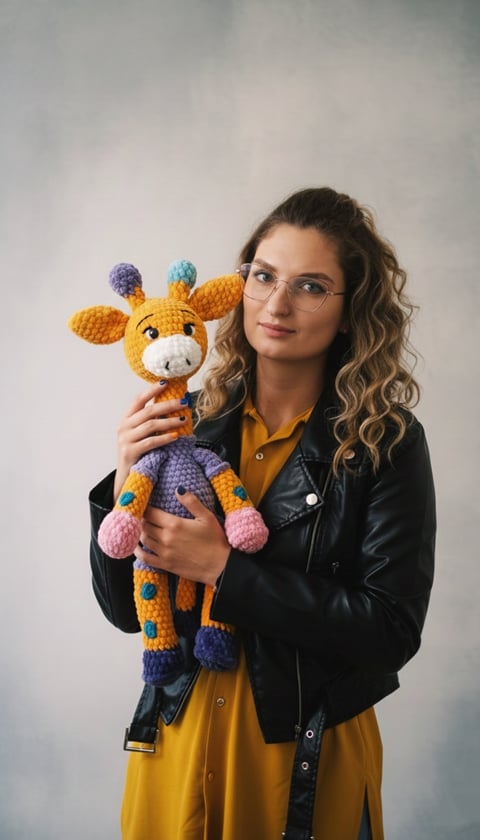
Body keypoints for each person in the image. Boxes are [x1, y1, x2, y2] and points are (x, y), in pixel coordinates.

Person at [89, 187, 436, 840]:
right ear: (237, 285)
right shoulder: (188, 428)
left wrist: (225, 571)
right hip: (177, 747)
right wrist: (124, 475)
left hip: (300, 759)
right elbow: (123, 612)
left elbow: (390, 629)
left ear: (350, 309)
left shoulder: (385, 441)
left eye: (310, 286)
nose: (276, 304)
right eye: (263, 276)